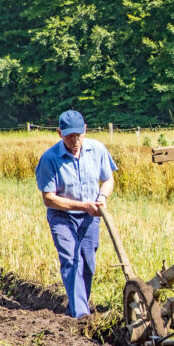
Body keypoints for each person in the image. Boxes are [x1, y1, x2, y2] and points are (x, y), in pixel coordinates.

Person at [35, 110, 117, 318]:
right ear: (59, 133)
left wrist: (103, 197)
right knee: (72, 260)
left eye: (78, 134)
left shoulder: (97, 149)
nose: (75, 140)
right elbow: (49, 198)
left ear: (85, 130)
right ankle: (82, 316)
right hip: (62, 216)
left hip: (89, 217)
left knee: (88, 264)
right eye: (70, 135)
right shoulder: (50, 158)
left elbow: (108, 179)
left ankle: (76, 308)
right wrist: (82, 206)